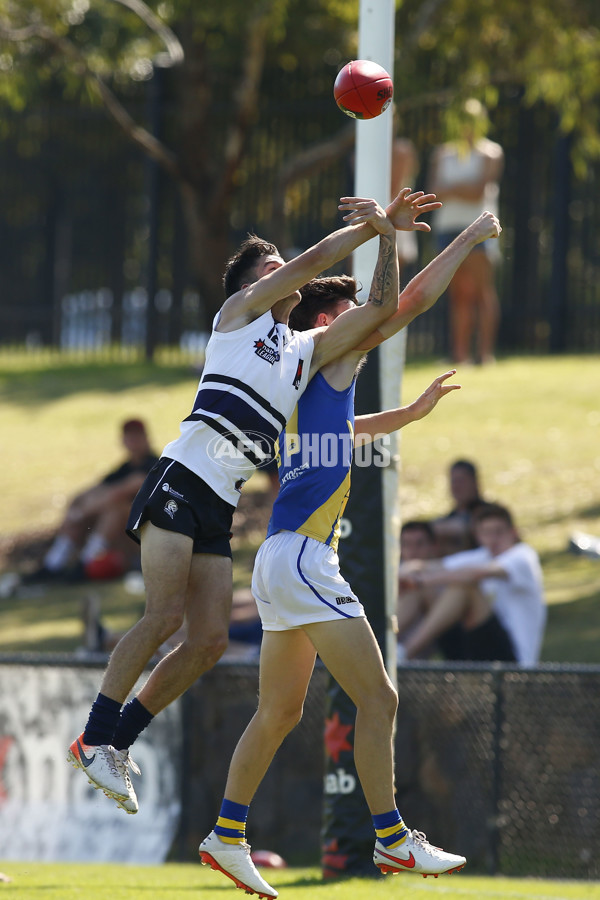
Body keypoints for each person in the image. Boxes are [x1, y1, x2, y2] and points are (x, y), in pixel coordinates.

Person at [67, 187, 441, 813]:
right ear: (249, 287)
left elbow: (380, 307)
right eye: (270, 270)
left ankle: (118, 740)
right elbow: (310, 261)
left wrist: (391, 238)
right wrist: (366, 228)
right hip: (183, 476)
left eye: (279, 268)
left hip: (220, 500)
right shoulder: (236, 319)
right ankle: (96, 738)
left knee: (209, 639)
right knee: (162, 617)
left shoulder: (304, 352)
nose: (284, 273)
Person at [199, 211, 501, 897]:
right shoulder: (332, 347)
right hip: (305, 557)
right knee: (381, 697)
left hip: (278, 558)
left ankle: (226, 832)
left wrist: (406, 417)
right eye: (350, 310)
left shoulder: (298, 372)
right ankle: (393, 839)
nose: (364, 318)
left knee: (278, 713)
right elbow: (408, 300)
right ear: (332, 318)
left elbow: (343, 430)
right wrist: (470, 235)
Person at [397, 503, 546, 665]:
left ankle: (403, 652)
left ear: (513, 533)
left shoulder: (522, 556)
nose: (493, 539)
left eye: (498, 532)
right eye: (486, 533)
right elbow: (436, 565)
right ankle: (379, 643)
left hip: (513, 661)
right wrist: (409, 569)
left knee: (465, 587)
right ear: (478, 536)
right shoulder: (483, 555)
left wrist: (423, 580)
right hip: (476, 647)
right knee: (419, 590)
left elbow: (476, 574)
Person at [24, 419, 158, 583]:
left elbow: (122, 491)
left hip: (145, 541)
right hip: (119, 540)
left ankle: (85, 563)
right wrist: (77, 505)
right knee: (86, 508)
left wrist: (81, 513)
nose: (132, 442)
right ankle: (54, 564)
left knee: (116, 509)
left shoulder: (154, 464)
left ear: (146, 438)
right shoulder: (124, 468)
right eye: (129, 437)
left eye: (136, 437)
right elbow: (97, 489)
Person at [429, 98, 504, 364]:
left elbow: (477, 193)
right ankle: (459, 355)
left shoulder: (490, 152)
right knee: (458, 294)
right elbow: (435, 191)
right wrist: (461, 187)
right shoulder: (443, 152)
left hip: (480, 229)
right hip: (447, 228)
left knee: (483, 292)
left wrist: (453, 189)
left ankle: (485, 355)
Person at [432, 458, 486, 555]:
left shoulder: (490, 513)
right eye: (453, 481)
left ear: (475, 482)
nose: (456, 487)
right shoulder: (450, 516)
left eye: (461, 481)